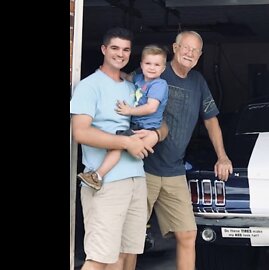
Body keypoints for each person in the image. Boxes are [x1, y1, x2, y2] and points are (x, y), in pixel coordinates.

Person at [137, 30, 234, 270]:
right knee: (131, 237)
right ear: (175, 48)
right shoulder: (156, 70)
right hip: (143, 168)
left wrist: (222, 156)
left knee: (188, 234)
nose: (189, 53)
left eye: (195, 50)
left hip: (174, 172)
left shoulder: (198, 82)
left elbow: (211, 121)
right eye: (185, 47)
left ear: (200, 56)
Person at [70, 27, 160, 270]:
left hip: (136, 179)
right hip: (106, 183)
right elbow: (80, 132)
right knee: (99, 258)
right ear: (103, 49)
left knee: (128, 255)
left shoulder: (132, 89)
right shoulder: (89, 86)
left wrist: (155, 134)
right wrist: (126, 142)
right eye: (115, 48)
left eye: (126, 50)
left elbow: (160, 120)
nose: (120, 54)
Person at [77, 44, 169, 191]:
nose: (152, 67)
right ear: (141, 65)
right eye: (148, 63)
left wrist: (129, 111)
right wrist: (102, 72)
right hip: (137, 125)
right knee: (119, 145)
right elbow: (127, 76)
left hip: (146, 126)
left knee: (117, 146)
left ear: (163, 68)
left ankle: (97, 176)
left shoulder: (159, 84)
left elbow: (151, 107)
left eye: (157, 65)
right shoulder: (140, 80)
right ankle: (98, 175)